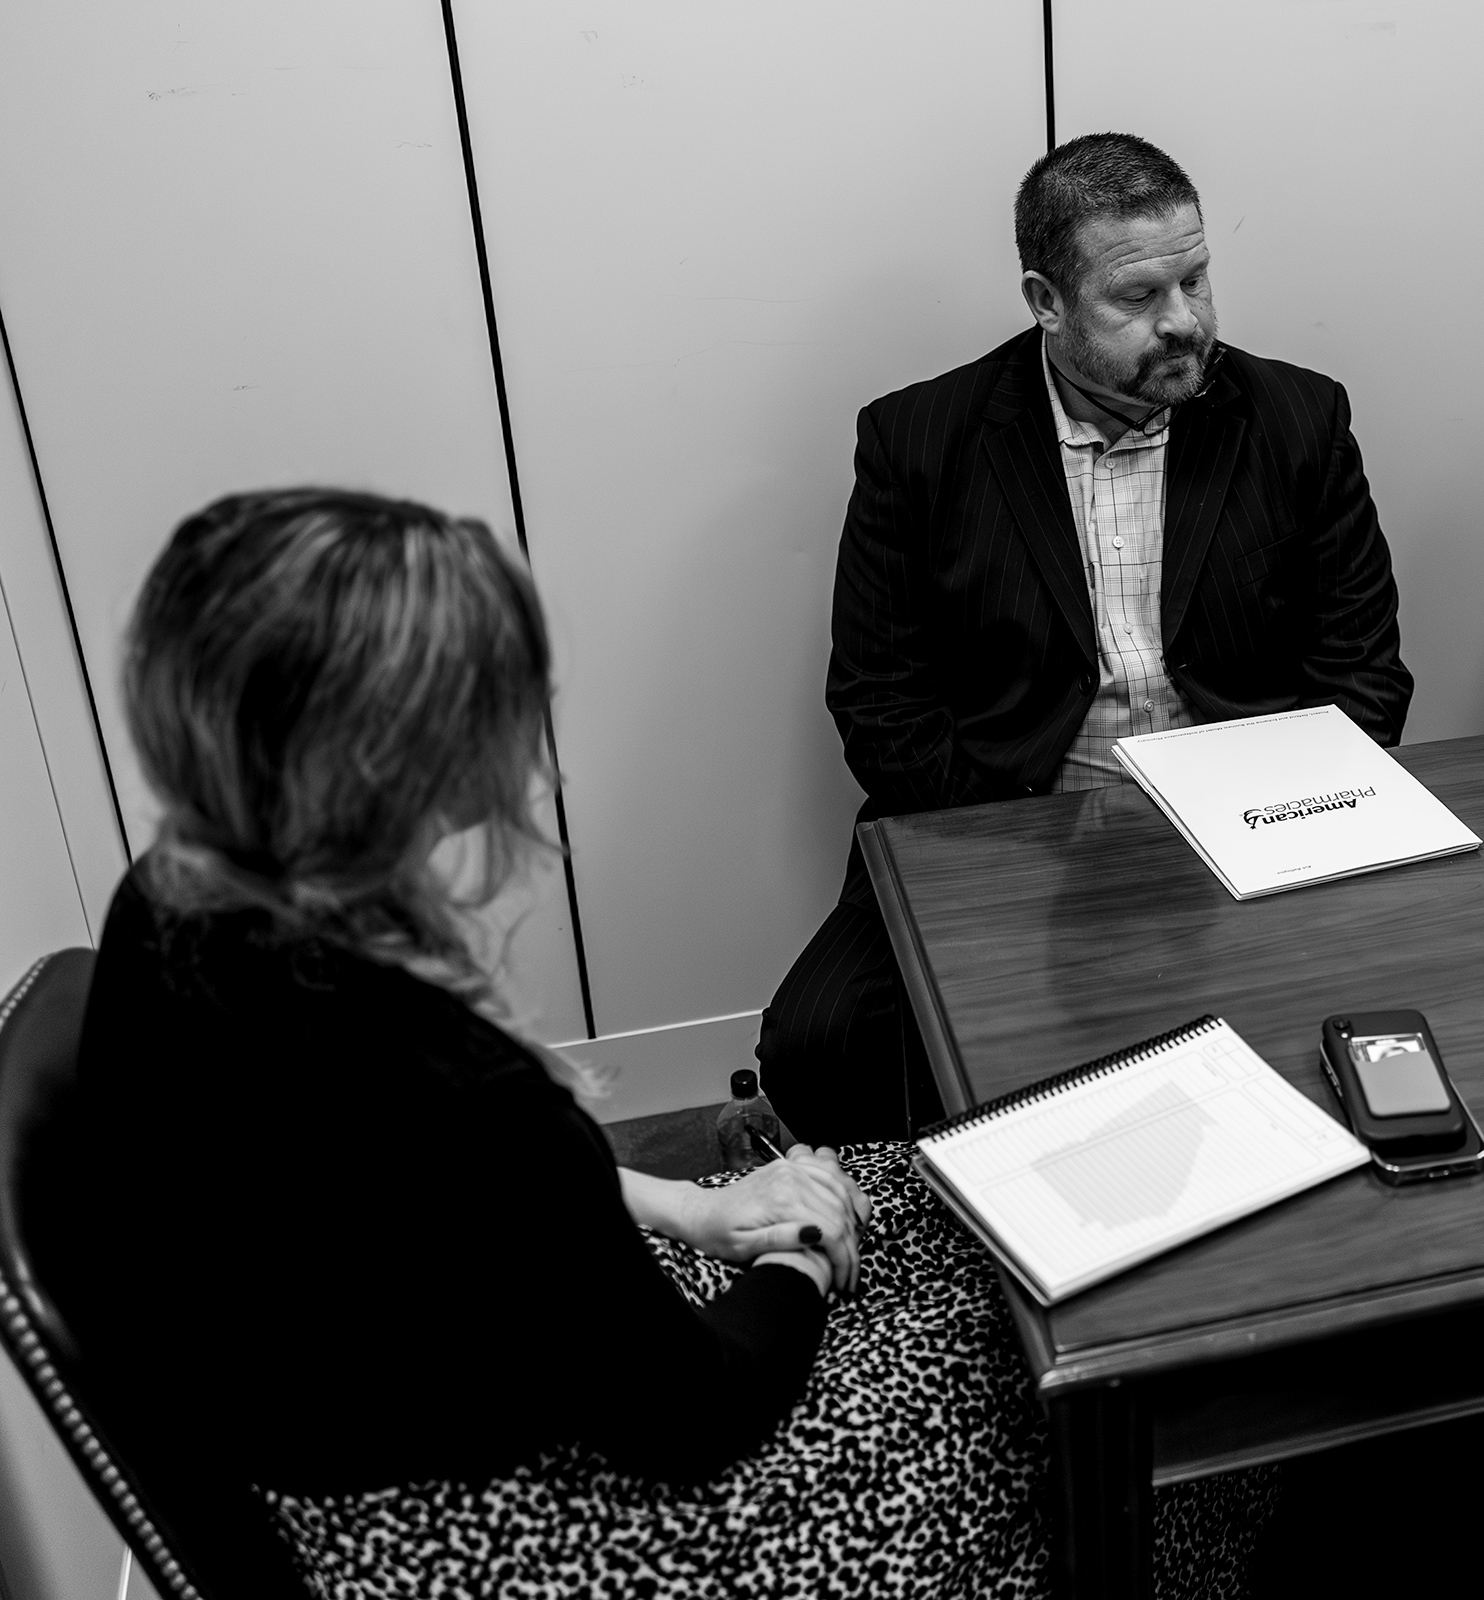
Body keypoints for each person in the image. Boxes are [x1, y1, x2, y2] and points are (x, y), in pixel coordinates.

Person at [25, 489, 1265, 1598]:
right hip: (490, 1532)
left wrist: (693, 1207)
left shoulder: (171, 901)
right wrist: (800, 1253)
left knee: (941, 1200)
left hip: (363, 1411)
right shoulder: (447, 1086)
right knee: (1102, 1398)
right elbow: (693, 1416)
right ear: (390, 762)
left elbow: (479, 1194)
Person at [759, 131, 1413, 1138]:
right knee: (821, 1041)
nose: (1184, 320)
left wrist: (1260, 824)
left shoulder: (1297, 419)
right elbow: (882, 707)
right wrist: (1032, 857)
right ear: (1046, 300)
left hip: (1247, 829)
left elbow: (1365, 677)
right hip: (1009, 831)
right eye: (1138, 297)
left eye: (1195, 279)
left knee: (1397, 1009)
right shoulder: (920, 442)